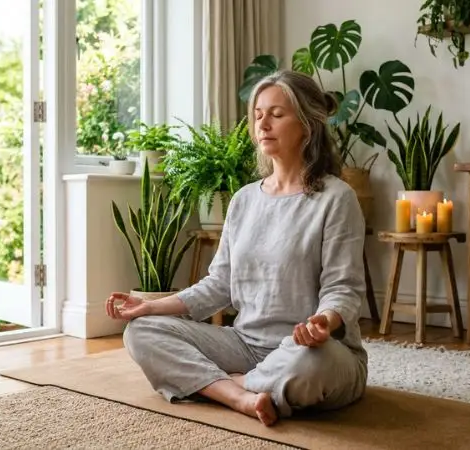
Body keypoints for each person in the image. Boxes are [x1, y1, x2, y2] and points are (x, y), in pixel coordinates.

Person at [105, 70, 368, 427]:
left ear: (307, 124)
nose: (263, 124)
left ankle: (218, 384)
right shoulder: (243, 200)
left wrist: (323, 322)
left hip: (312, 351)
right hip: (246, 346)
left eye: (277, 114)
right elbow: (219, 285)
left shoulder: (337, 198)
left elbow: (343, 289)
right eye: (258, 115)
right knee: (142, 331)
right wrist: (148, 306)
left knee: (310, 366)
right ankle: (241, 397)